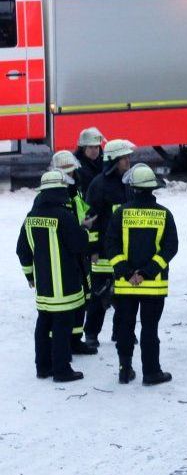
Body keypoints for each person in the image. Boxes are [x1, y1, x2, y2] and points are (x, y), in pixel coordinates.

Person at [17, 170, 90, 383]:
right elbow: (78, 244)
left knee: (43, 324)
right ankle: (61, 370)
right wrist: (84, 230)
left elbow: (22, 249)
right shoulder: (64, 217)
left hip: (44, 287)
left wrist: (29, 275)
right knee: (62, 327)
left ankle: (43, 367)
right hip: (66, 284)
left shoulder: (31, 218)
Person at [107, 164, 177, 386]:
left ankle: (124, 370)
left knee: (125, 327)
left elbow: (111, 245)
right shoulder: (164, 214)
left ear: (133, 189)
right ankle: (151, 372)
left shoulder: (120, 214)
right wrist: (147, 273)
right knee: (149, 329)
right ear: (152, 189)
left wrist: (127, 273)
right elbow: (170, 248)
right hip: (153, 286)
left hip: (125, 285)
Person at [83, 139, 135, 349]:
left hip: (124, 251)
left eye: (128, 157)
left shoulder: (129, 182)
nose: (128, 161)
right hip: (103, 253)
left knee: (124, 295)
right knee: (99, 296)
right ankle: (91, 334)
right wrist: (93, 249)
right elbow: (91, 219)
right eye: (124, 158)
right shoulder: (99, 185)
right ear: (114, 160)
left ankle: (120, 333)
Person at [50, 151, 98, 356]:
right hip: (66, 254)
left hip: (80, 250)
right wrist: (82, 227)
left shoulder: (74, 189)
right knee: (68, 303)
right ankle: (65, 343)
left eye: (72, 169)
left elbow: (81, 210)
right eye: (67, 170)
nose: (72, 173)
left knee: (83, 298)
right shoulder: (55, 194)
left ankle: (76, 339)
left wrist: (87, 220)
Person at [74, 127, 104, 197]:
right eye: (90, 147)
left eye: (96, 147)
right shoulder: (76, 165)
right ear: (83, 148)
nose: (94, 150)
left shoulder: (104, 163)